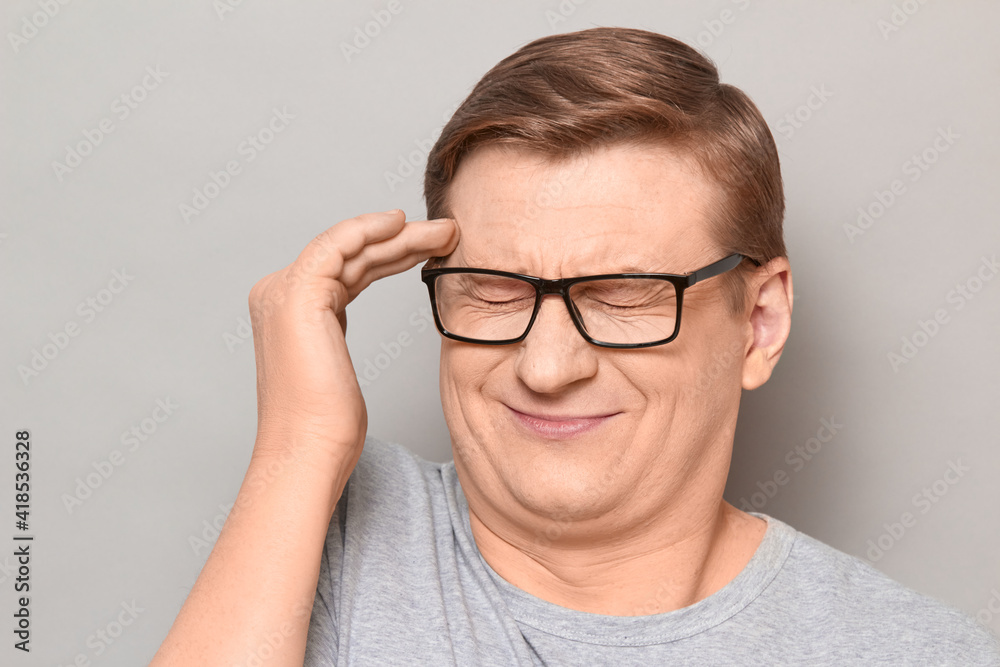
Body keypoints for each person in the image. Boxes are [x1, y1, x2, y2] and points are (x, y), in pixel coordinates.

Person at [151, 27, 1000, 666]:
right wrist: (299, 443)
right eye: (494, 289)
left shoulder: (915, 651)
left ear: (760, 322)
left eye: (623, 293)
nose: (546, 366)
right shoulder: (310, 541)